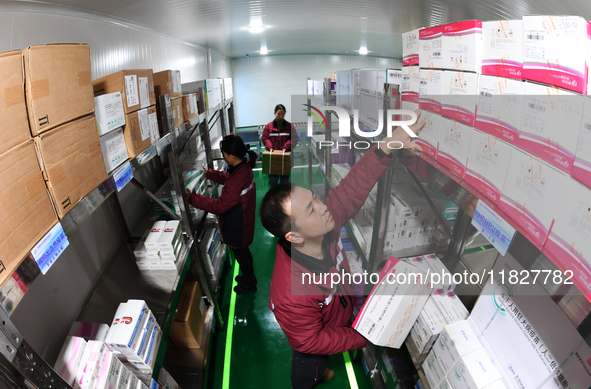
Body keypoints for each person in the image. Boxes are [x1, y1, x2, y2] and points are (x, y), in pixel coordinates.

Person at [260, 111, 425, 388]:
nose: (324, 207)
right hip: (313, 340)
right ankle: (311, 379)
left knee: (324, 352)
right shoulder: (291, 294)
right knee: (309, 364)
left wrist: (385, 147)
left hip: (337, 314)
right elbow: (311, 340)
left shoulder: (324, 225)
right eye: (312, 210)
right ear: (294, 236)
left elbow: (350, 190)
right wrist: (364, 336)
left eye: (314, 198)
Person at [187, 135, 258, 294]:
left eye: (224, 153)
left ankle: (250, 283)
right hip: (242, 221)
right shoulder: (242, 168)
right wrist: (210, 174)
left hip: (238, 225)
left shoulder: (238, 177)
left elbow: (220, 206)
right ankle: (249, 276)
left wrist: (193, 198)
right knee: (244, 253)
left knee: (242, 255)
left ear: (232, 155)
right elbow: (228, 178)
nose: (223, 156)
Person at [261, 104, 298, 187]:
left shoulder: (289, 126)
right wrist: (269, 146)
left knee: (284, 182)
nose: (281, 116)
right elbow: (265, 138)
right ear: (274, 113)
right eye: (278, 114)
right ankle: (273, 198)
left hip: (285, 157)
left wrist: (286, 146)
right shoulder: (268, 127)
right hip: (273, 157)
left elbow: (294, 138)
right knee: (272, 181)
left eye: (283, 114)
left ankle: (283, 199)